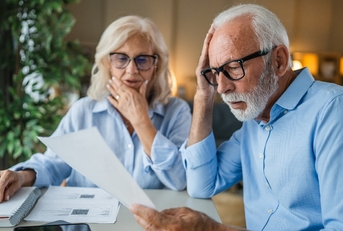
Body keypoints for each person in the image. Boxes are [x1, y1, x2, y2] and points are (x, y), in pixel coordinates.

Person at [129, 4, 343, 231]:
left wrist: (212, 229)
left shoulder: (332, 111)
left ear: (279, 60)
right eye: (214, 73)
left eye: (233, 67)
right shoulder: (255, 119)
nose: (221, 87)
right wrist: (203, 95)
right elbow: (201, 185)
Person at [0, 15, 191, 202]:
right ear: (108, 63)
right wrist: (21, 177)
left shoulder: (176, 112)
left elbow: (179, 180)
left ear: (155, 65)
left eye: (142, 60)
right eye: (121, 59)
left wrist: (141, 121)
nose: (132, 70)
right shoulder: (83, 111)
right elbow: (52, 165)